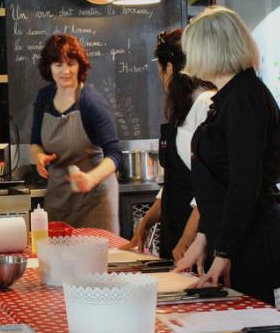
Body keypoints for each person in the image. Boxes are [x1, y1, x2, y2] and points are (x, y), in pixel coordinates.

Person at [175, 6, 280, 306]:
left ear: (210, 49)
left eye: (192, 49)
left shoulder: (245, 99)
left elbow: (243, 185)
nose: (189, 59)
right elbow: (220, 184)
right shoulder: (228, 98)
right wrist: (204, 237)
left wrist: (224, 253)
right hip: (233, 242)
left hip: (252, 244)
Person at [121, 30, 215, 260]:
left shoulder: (205, 104)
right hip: (177, 237)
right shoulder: (182, 108)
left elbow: (210, 185)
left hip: (197, 245)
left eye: (161, 72)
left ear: (170, 68)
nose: (162, 80)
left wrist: (187, 241)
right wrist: (143, 225)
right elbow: (175, 182)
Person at [30, 34, 122, 231]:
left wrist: (90, 179)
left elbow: (115, 154)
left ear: (80, 65)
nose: (65, 71)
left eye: (70, 63)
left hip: (95, 200)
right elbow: (35, 141)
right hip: (58, 198)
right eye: (58, 65)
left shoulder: (91, 102)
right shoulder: (44, 98)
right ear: (49, 68)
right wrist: (38, 156)